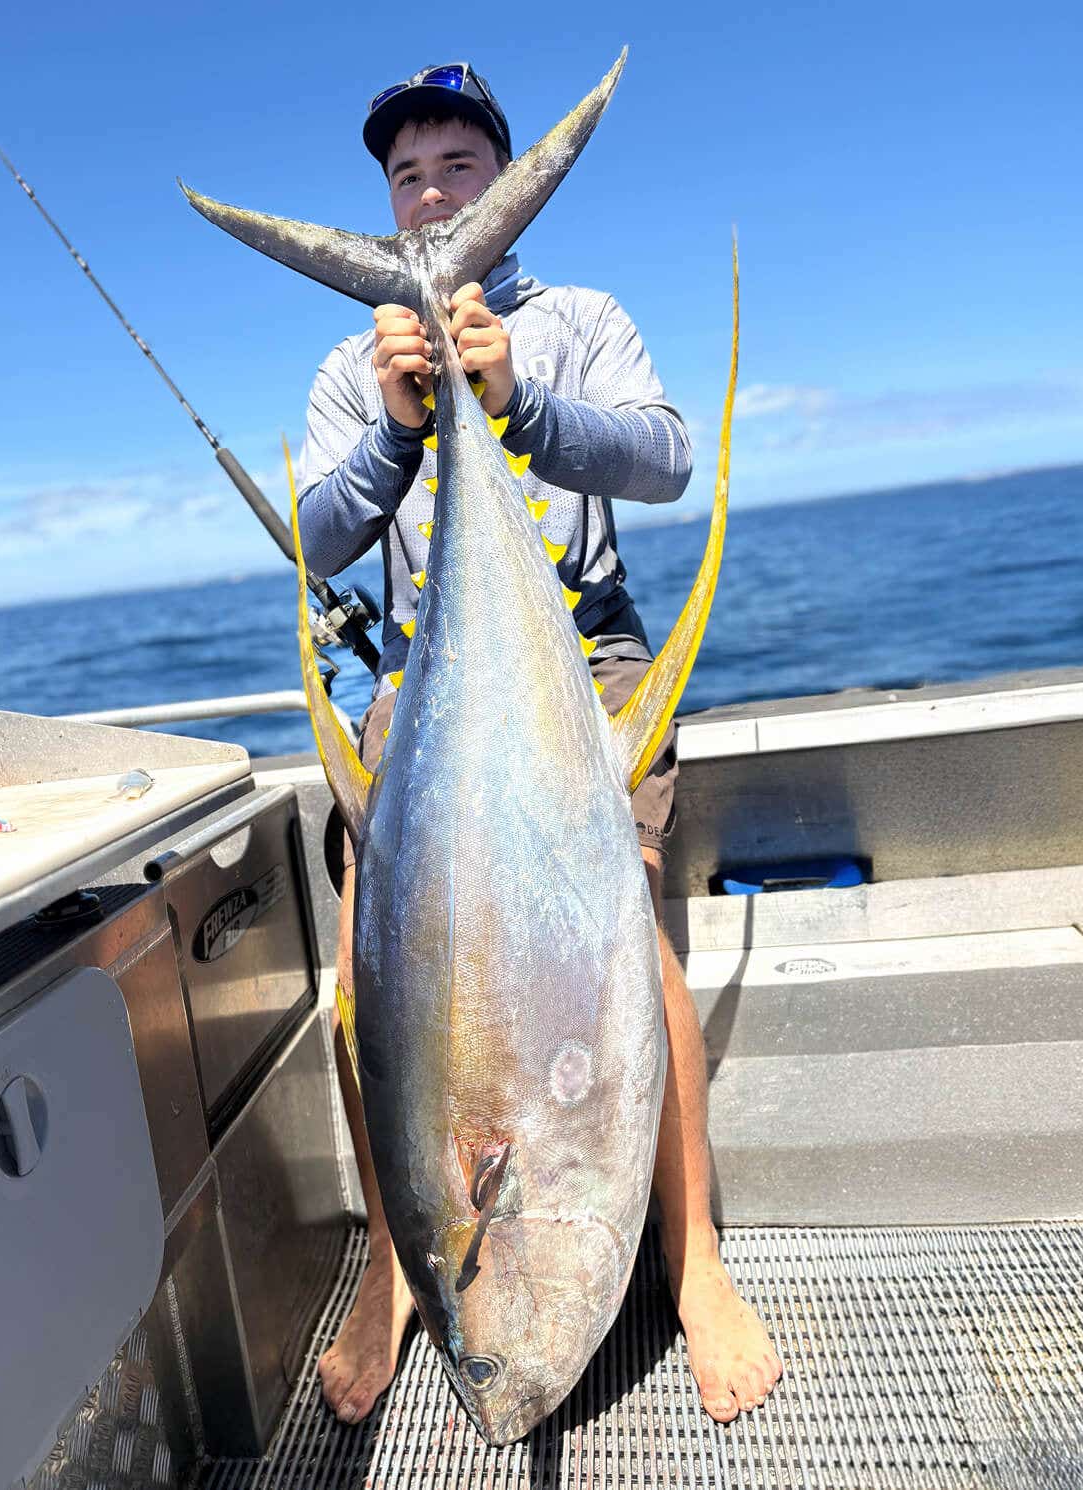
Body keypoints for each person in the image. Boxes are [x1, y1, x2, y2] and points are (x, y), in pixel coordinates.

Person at [296, 61, 782, 1428]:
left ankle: (697, 1265)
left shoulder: (578, 317)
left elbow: (668, 455)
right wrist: (404, 427)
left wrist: (518, 404)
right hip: (431, 677)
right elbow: (319, 537)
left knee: (626, 937)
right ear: (384, 201)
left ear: (506, 177)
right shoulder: (358, 359)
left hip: (587, 665)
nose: (434, 193)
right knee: (366, 969)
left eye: (460, 167)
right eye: (408, 177)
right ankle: (399, 1260)